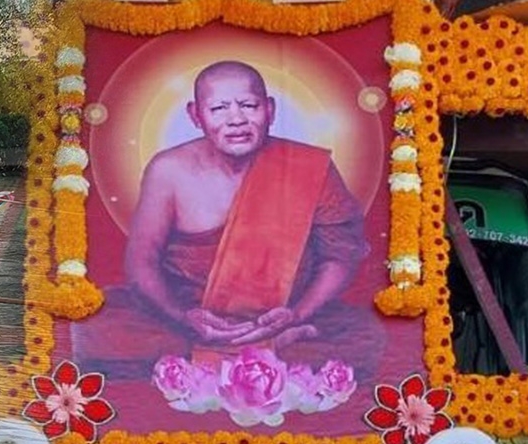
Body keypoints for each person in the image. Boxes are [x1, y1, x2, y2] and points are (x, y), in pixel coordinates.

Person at [72, 60, 374, 377]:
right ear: (196, 115)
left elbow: (339, 257)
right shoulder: (169, 170)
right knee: (97, 333)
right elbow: (142, 261)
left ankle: (273, 340)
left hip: (284, 313)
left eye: (248, 105)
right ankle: (264, 351)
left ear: (269, 109)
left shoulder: (310, 167)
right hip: (188, 319)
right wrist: (183, 316)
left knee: (365, 339)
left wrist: (297, 314)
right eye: (218, 108)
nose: (237, 120)